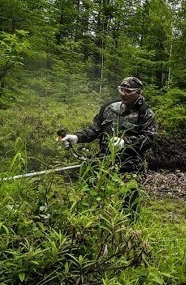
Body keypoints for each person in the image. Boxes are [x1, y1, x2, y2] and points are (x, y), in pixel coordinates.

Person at [60, 77, 156, 220]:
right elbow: (95, 130)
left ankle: (129, 234)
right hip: (104, 162)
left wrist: (125, 142)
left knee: (128, 206)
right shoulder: (109, 108)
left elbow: (149, 138)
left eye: (128, 91)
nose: (123, 93)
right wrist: (77, 137)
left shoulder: (145, 113)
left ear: (138, 93)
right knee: (93, 197)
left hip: (130, 166)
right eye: (121, 89)